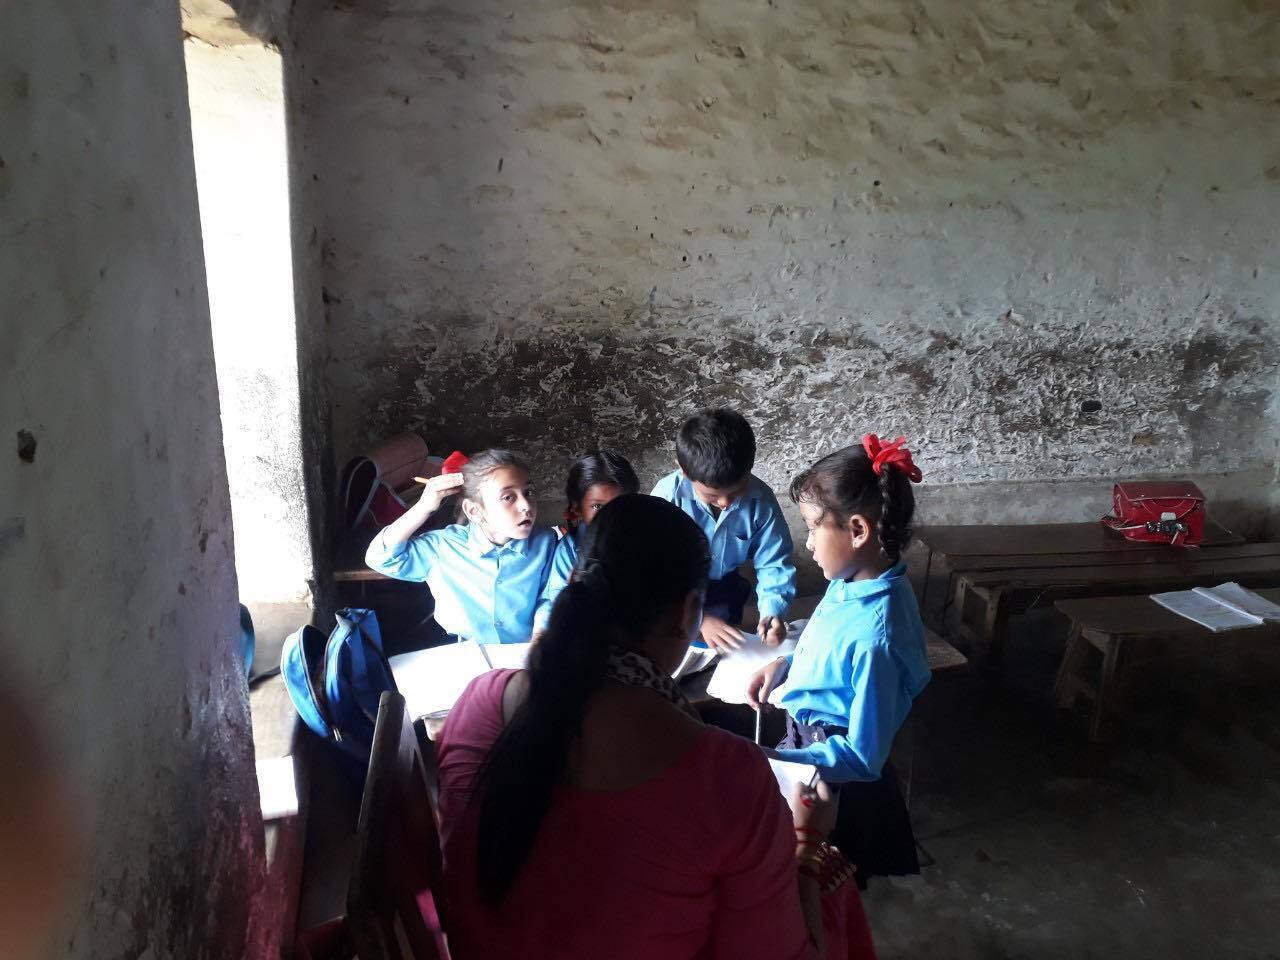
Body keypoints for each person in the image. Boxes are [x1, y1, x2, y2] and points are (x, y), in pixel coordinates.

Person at [435, 495, 875, 960]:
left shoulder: (482, 701)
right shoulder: (727, 775)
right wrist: (806, 844)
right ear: (688, 614)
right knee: (832, 884)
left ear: (576, 580)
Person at [748, 435, 930, 887]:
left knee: (827, 882)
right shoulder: (850, 580)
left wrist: (777, 760)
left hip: (837, 782)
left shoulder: (877, 640)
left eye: (813, 528)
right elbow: (825, 636)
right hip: (808, 749)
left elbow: (863, 756)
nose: (808, 543)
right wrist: (786, 665)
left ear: (858, 530)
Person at [365, 449, 556, 644]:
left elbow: (548, 596)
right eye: (508, 497)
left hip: (528, 648)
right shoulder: (443, 547)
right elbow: (379, 558)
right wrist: (423, 507)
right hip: (467, 651)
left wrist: (538, 642)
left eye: (528, 492)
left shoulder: (545, 542)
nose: (526, 505)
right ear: (473, 510)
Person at [651, 408, 797, 652]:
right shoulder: (667, 497)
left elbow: (774, 563)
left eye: (736, 491)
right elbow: (652, 570)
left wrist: (772, 612)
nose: (725, 502)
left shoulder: (761, 501)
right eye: (712, 495)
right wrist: (700, 618)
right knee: (676, 644)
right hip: (673, 590)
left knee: (723, 648)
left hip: (724, 587)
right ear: (685, 473)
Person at [534, 450, 640, 634]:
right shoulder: (569, 551)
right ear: (577, 508)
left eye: (621, 503)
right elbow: (556, 606)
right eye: (597, 506)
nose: (611, 515)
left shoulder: (645, 540)